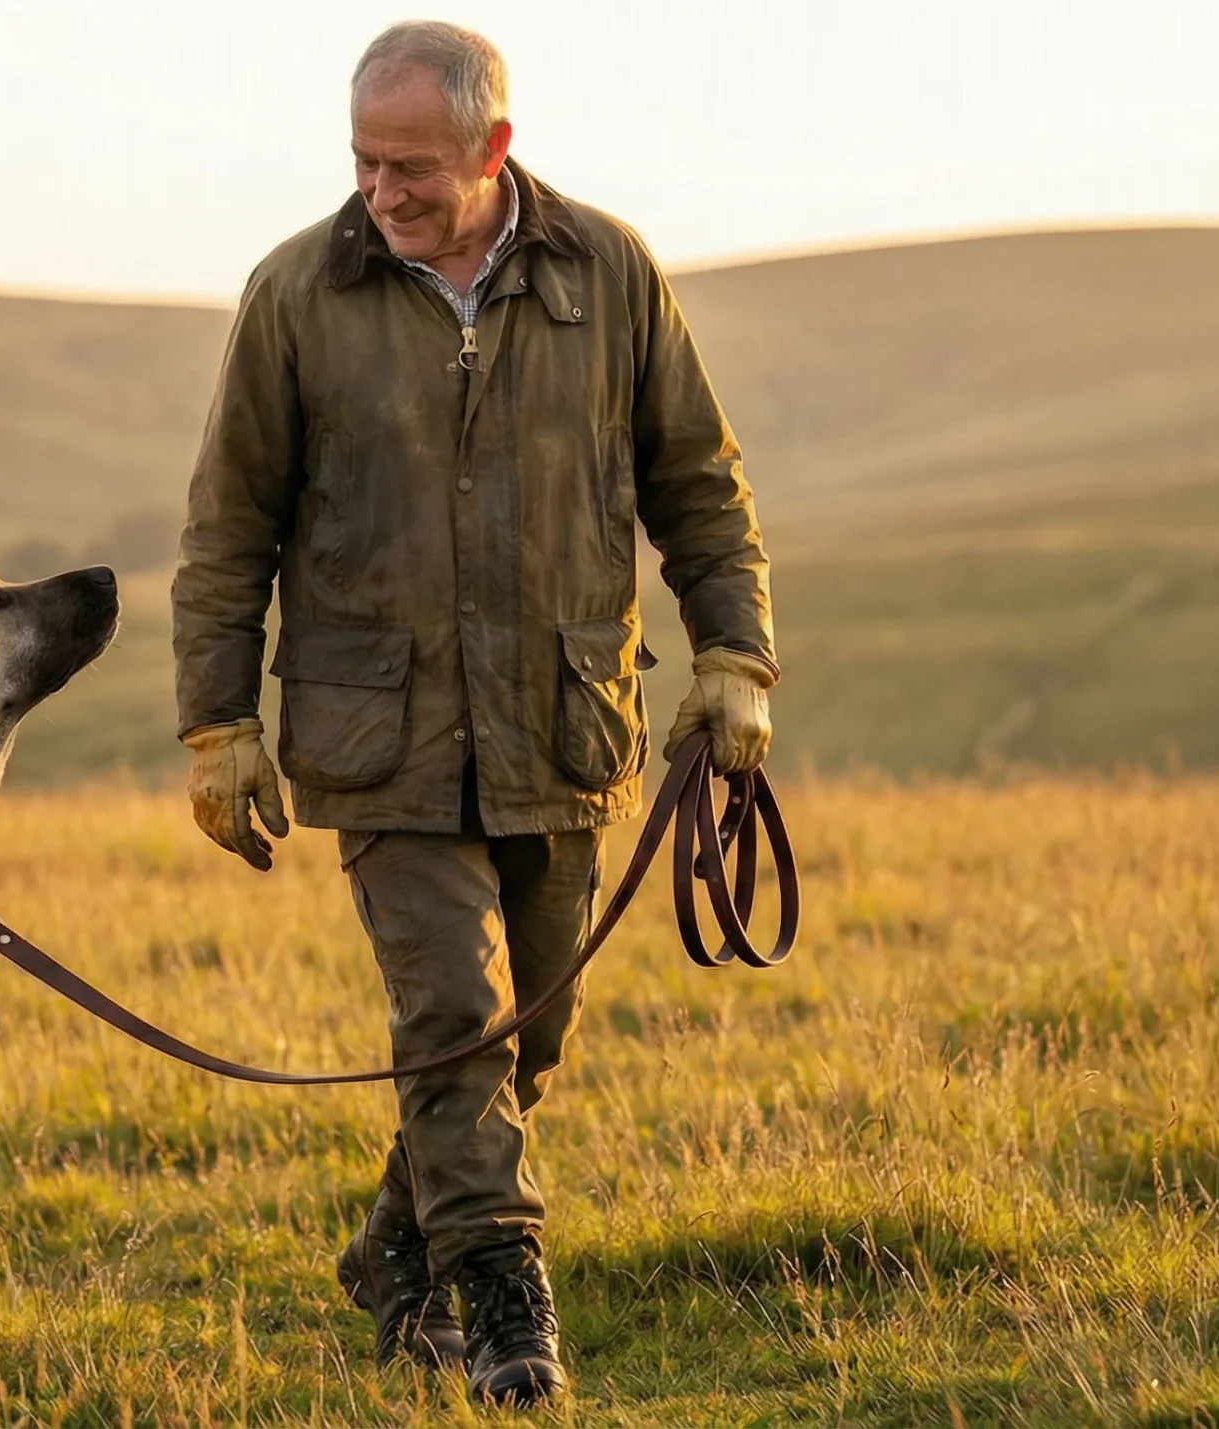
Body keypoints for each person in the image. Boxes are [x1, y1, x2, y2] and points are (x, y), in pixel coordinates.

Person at [169, 19, 778, 1409]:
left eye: (414, 167)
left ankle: (396, 1249)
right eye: (363, 162)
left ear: (494, 148)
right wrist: (218, 724)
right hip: (375, 736)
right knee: (456, 1012)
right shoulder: (293, 295)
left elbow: (698, 484)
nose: (382, 192)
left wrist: (735, 656)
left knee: (533, 1033)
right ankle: (505, 1308)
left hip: (561, 722)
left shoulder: (611, 273)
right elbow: (227, 528)